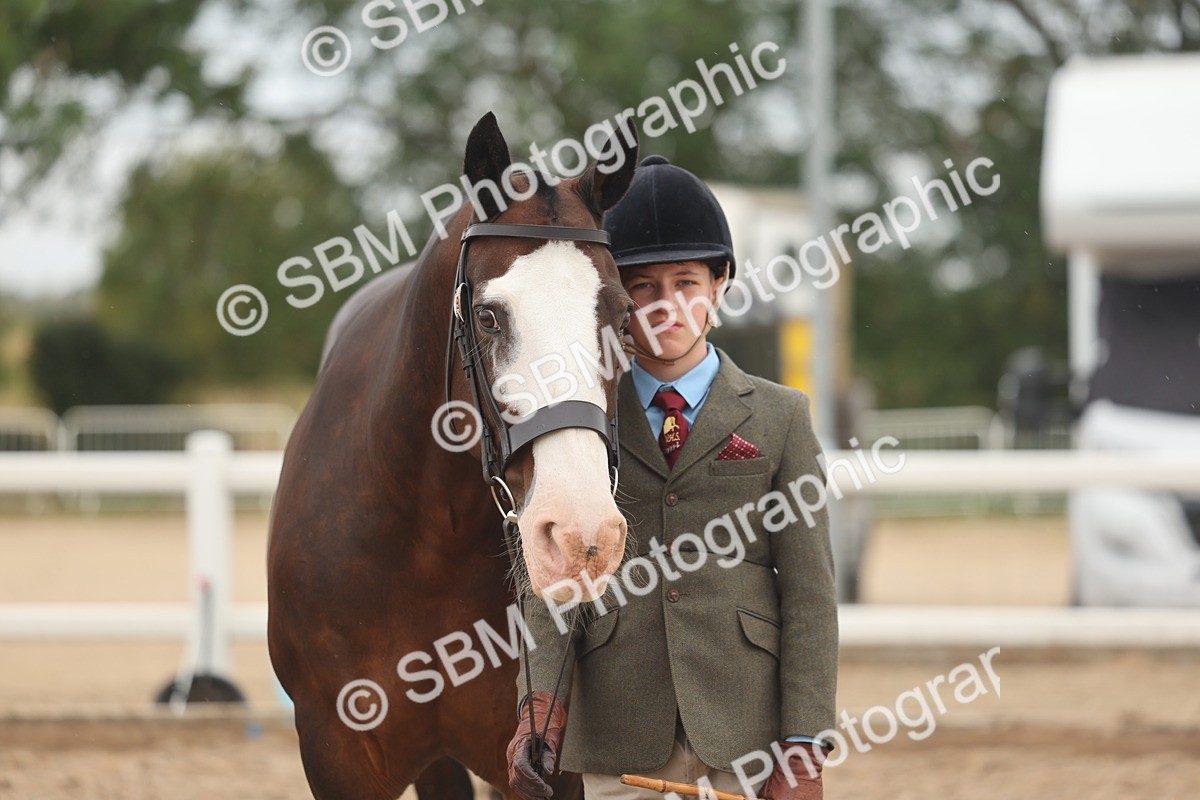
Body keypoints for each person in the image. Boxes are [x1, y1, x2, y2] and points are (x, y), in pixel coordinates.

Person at [507, 155, 839, 800]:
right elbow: (552, 582)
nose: (667, 306)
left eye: (686, 282)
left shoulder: (781, 416)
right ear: (616, 297)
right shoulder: (582, 420)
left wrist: (805, 744)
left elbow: (809, 594)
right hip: (620, 725)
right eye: (644, 287)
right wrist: (538, 703)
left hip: (747, 725)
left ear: (720, 284)